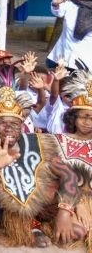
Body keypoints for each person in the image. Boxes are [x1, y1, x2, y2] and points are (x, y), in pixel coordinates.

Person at [0, 65, 80, 248]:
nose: (8, 128)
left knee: (54, 182)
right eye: (2, 123)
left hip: (30, 206)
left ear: (22, 124)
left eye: (14, 124)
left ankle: (32, 222)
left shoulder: (39, 143)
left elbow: (69, 175)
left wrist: (65, 212)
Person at [57, 67, 92, 248]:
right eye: (84, 117)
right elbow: (56, 179)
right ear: (73, 117)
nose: (88, 123)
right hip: (66, 199)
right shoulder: (59, 141)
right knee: (77, 231)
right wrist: (78, 203)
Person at [48, 0, 92, 68]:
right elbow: (57, 12)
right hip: (64, 57)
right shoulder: (70, 4)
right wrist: (55, 4)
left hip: (85, 61)